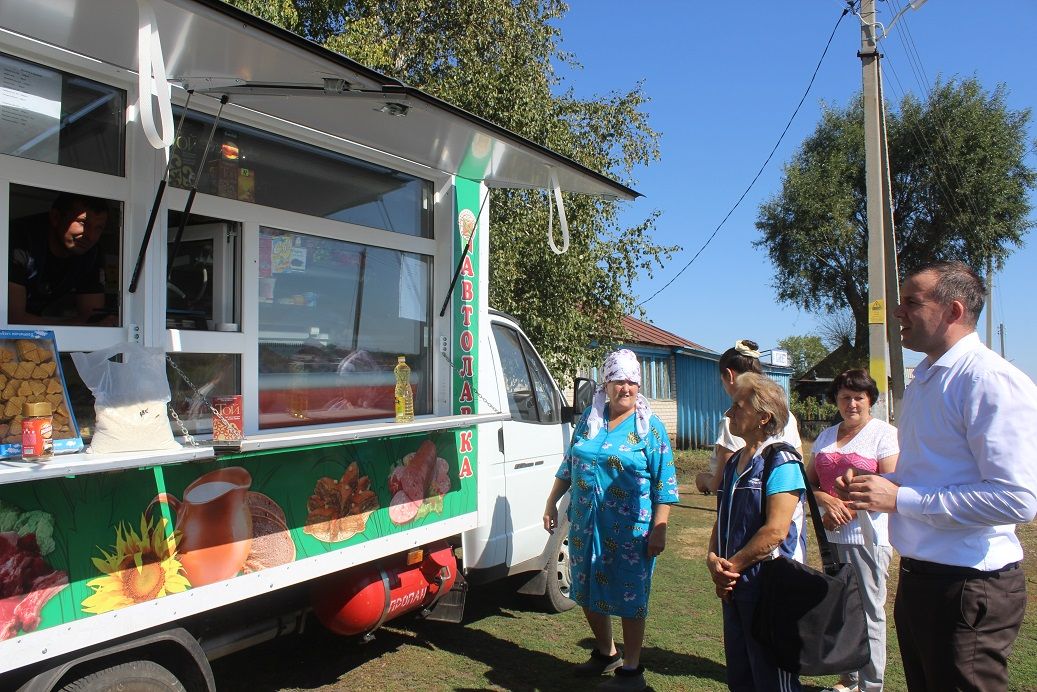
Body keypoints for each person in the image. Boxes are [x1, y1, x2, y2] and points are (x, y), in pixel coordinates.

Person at [839, 261, 1037, 691]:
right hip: (925, 580)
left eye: (911, 302)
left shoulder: (989, 381)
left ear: (953, 310)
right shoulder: (927, 378)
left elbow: (1015, 499)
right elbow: (928, 473)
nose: (897, 313)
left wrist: (899, 499)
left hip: (969, 585)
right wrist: (879, 486)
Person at [543, 349, 678, 691]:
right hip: (586, 526)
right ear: (607, 383)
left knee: (630, 596)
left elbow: (665, 482)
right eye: (619, 380)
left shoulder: (650, 428)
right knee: (585, 588)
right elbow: (569, 464)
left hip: (631, 531)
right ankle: (606, 653)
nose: (626, 388)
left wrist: (659, 529)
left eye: (632, 381)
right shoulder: (591, 418)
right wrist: (551, 501)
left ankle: (632, 669)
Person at [707, 371, 806, 691]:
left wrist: (730, 568)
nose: (728, 412)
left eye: (738, 406)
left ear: (764, 417)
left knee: (771, 678)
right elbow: (722, 517)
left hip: (766, 587)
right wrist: (712, 559)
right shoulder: (735, 460)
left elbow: (776, 531)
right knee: (741, 675)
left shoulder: (782, 460)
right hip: (734, 587)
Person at [806, 369, 898, 692]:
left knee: (870, 612)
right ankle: (849, 678)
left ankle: (872, 685)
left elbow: (892, 486)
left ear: (870, 400)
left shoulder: (883, 434)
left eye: (859, 397)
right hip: (831, 537)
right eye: (845, 397)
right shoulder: (826, 436)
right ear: (836, 401)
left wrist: (846, 509)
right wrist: (824, 503)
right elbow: (809, 483)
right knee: (842, 611)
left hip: (867, 538)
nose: (852, 404)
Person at [695, 339, 802, 494]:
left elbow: (723, 482)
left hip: (750, 511)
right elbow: (799, 466)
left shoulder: (735, 422)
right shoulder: (788, 416)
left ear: (729, 375)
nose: (730, 413)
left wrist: (703, 479)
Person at [8, 192, 114, 325]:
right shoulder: (18, 238)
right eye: (83, 223)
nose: (91, 236)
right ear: (55, 217)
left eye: (98, 228)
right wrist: (69, 326)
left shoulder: (91, 252)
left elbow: (92, 318)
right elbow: (11, 318)